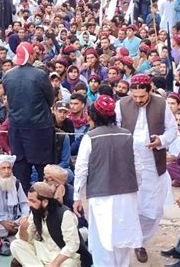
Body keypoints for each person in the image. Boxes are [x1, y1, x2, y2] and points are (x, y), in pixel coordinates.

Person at [74, 95, 142, 266]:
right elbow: (138, 167)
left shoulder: (90, 137)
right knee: (123, 240)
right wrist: (134, 185)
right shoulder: (127, 135)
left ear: (93, 115)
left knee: (102, 243)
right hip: (127, 195)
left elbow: (81, 170)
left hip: (101, 197)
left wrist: (77, 196)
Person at [115, 74, 177, 263]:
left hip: (152, 163)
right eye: (135, 97)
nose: (139, 100)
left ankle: (141, 240)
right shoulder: (122, 104)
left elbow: (172, 130)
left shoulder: (161, 104)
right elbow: (116, 128)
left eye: (142, 96)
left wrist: (161, 141)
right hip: (128, 163)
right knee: (130, 206)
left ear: (150, 90)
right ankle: (134, 242)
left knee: (154, 209)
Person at [3, 42, 55, 191]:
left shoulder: (8, 76)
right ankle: (44, 203)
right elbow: (50, 99)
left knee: (20, 171)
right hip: (40, 130)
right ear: (31, 55)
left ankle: (22, 204)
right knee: (43, 171)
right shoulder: (40, 75)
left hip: (17, 129)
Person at [10, 182, 83, 267]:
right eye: (28, 200)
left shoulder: (65, 214)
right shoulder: (35, 212)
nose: (29, 204)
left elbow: (72, 245)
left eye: (33, 201)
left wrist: (54, 264)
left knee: (69, 264)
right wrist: (23, 228)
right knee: (16, 244)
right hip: (42, 252)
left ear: (45, 202)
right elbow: (26, 239)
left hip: (60, 255)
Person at [0, 155, 29, 255]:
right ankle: (9, 236)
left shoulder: (16, 183)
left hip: (15, 220)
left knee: (30, 221)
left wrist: (24, 217)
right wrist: (1, 222)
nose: (7, 171)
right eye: (3, 168)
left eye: (9, 168)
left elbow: (24, 203)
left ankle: (1, 238)